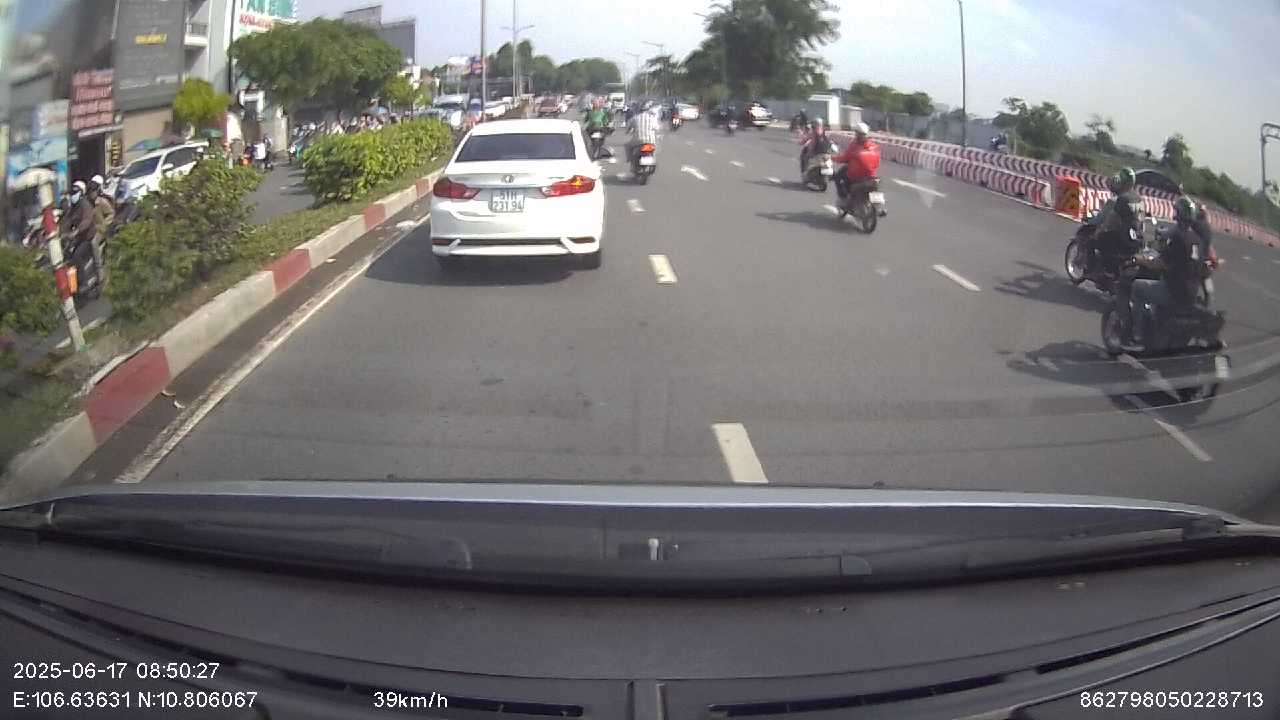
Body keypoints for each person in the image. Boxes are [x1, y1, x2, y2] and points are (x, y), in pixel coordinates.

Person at [1119, 196, 1205, 345]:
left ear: (1179, 214)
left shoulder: (1178, 237)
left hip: (1173, 291)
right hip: (1191, 293)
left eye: (1176, 211)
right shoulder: (1197, 240)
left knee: (1137, 287)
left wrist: (1139, 260)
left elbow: (1159, 263)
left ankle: (1139, 333)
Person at [1086, 167, 1144, 272]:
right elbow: (1141, 220)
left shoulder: (1122, 199)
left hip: (1123, 238)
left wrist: (1099, 231)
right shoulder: (1138, 198)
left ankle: (1092, 269)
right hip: (1138, 238)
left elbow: (1111, 219)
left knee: (1092, 241)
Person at [832, 122, 882, 205]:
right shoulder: (874, 146)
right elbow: (877, 162)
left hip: (856, 176)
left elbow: (845, 158)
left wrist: (832, 158)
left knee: (838, 176)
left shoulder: (855, 145)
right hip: (871, 176)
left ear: (857, 134)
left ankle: (844, 198)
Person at [625, 101, 661, 166]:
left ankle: (629, 159)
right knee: (655, 148)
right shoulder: (652, 118)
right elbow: (657, 128)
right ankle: (653, 158)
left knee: (627, 145)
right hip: (650, 141)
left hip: (638, 141)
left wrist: (628, 131)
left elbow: (628, 128)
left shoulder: (635, 118)